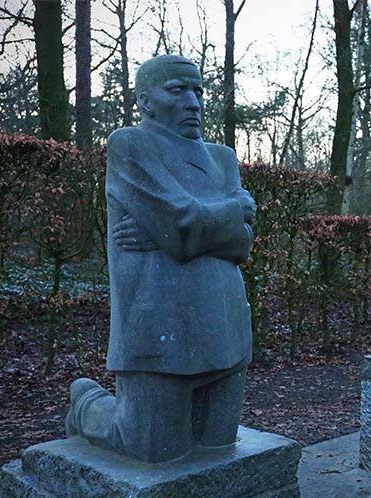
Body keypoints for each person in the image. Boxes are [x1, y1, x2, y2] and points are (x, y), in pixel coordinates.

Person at [65, 55, 257, 463]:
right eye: (178, 90)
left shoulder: (222, 158)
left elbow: (240, 245)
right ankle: (87, 403)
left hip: (227, 328)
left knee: (217, 450)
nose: (194, 102)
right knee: (151, 452)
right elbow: (181, 225)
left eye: (199, 91)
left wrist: (173, 233)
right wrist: (233, 209)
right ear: (146, 101)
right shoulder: (130, 145)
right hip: (160, 331)